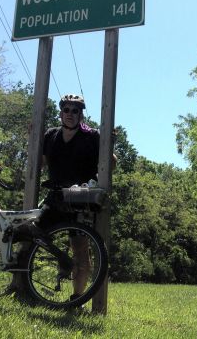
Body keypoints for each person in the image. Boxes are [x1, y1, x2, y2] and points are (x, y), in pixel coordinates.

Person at [40, 94, 114, 304]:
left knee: (80, 249)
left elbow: (111, 164)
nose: (70, 114)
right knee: (33, 234)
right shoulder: (51, 135)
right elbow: (41, 163)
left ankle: (76, 298)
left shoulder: (91, 136)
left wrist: (109, 145)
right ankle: (27, 282)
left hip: (80, 198)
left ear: (81, 114)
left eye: (75, 111)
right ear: (61, 113)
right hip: (55, 196)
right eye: (66, 110)